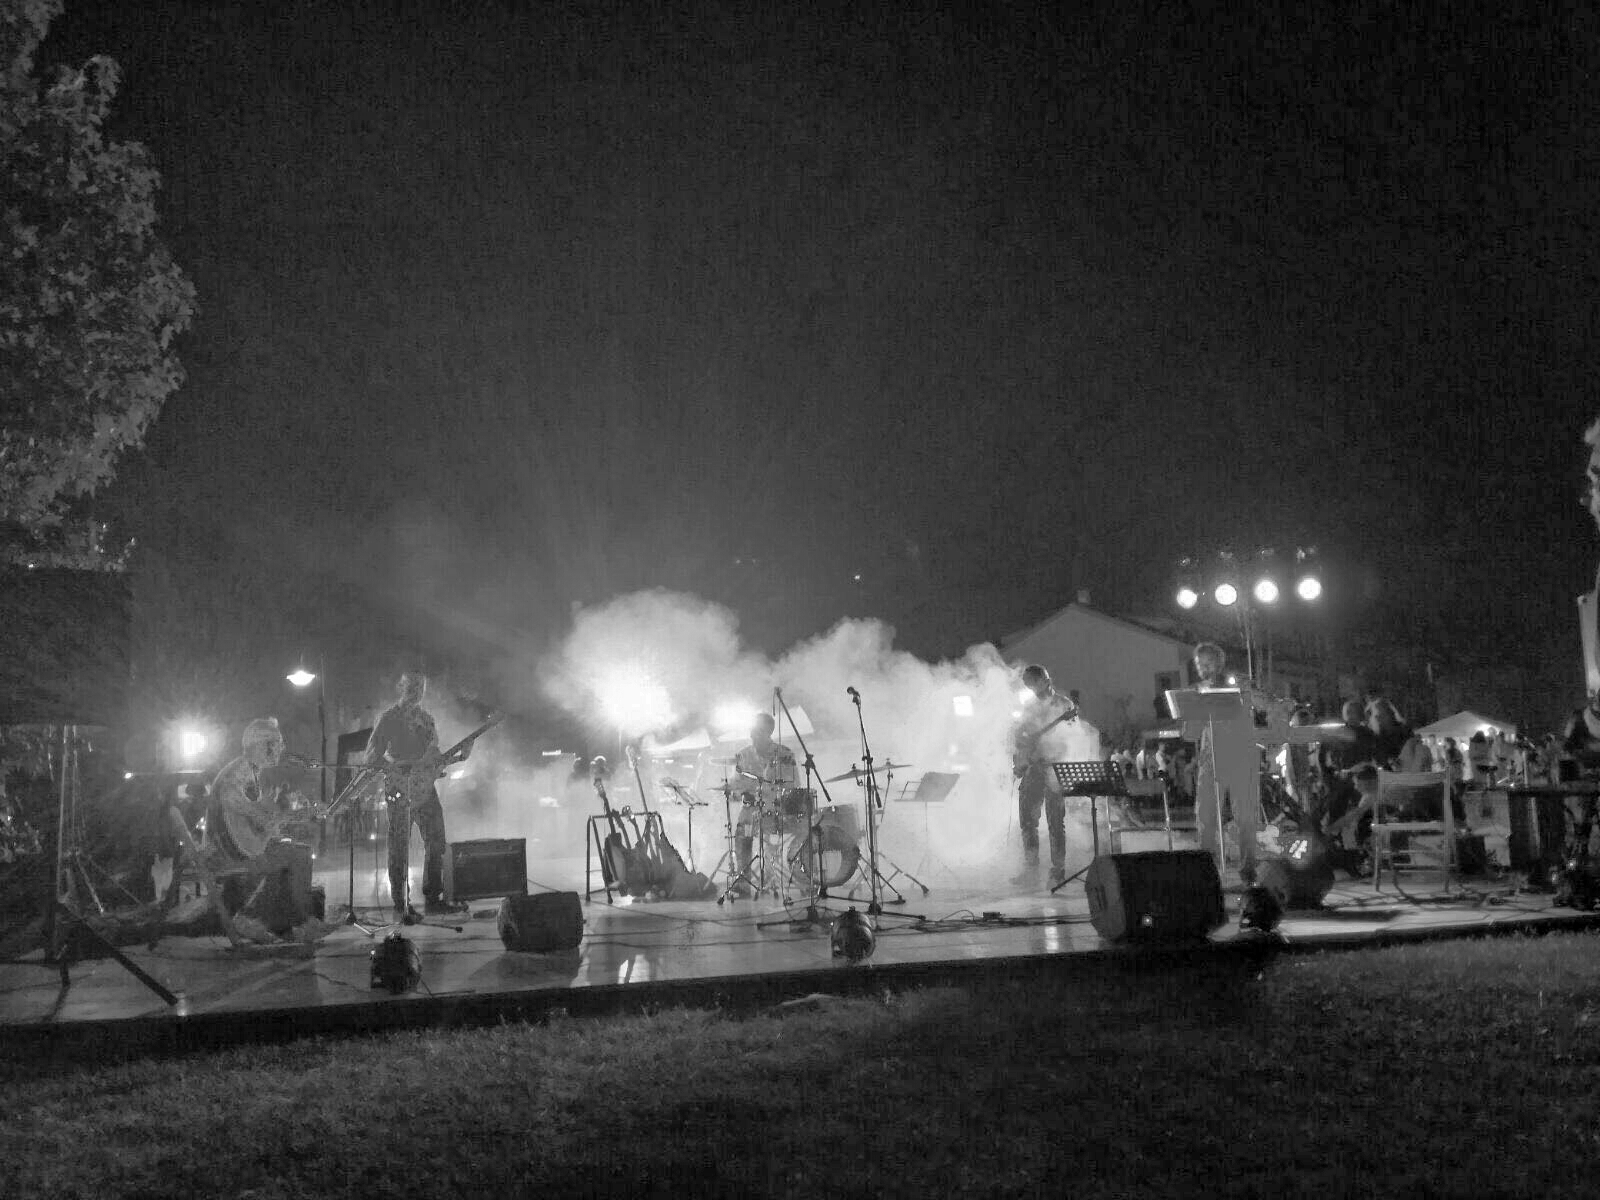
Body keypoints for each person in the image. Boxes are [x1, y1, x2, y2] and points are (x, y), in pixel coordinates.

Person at [365, 672, 464, 916]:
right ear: (401, 687)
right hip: (399, 788)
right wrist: (395, 769)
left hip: (425, 789)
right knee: (399, 845)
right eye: (412, 686)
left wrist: (458, 757)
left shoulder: (427, 720)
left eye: (421, 687)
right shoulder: (390, 718)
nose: (417, 691)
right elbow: (372, 755)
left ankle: (433, 897)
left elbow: (434, 755)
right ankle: (401, 902)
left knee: (437, 840)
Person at [1008, 664, 1079, 888]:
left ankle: (1058, 871)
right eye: (1027, 685)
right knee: (1027, 821)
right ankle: (1031, 871)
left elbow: (1071, 737)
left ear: (1045, 680)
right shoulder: (1029, 707)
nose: (1030, 688)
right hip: (1033, 767)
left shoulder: (1064, 705)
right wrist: (1019, 758)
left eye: (1032, 683)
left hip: (1055, 767)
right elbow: (1021, 736)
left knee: (1055, 821)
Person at [729, 713, 797, 894]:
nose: (753, 734)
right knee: (742, 833)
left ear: (769, 732)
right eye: (752, 730)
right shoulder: (743, 755)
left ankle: (771, 876)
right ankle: (743, 880)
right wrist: (738, 793)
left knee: (774, 838)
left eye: (758, 731)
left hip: (776, 810)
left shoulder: (784, 754)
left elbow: (793, 785)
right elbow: (735, 785)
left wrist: (779, 799)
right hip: (750, 810)